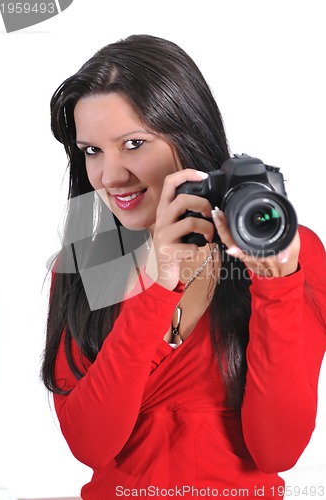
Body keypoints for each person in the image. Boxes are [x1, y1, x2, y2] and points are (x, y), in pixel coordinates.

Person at [41, 34, 326, 499]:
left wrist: (275, 285)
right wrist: (157, 285)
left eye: (133, 143)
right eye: (92, 150)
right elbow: (91, 445)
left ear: (189, 133)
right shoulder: (86, 260)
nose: (110, 176)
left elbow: (278, 451)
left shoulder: (287, 249)